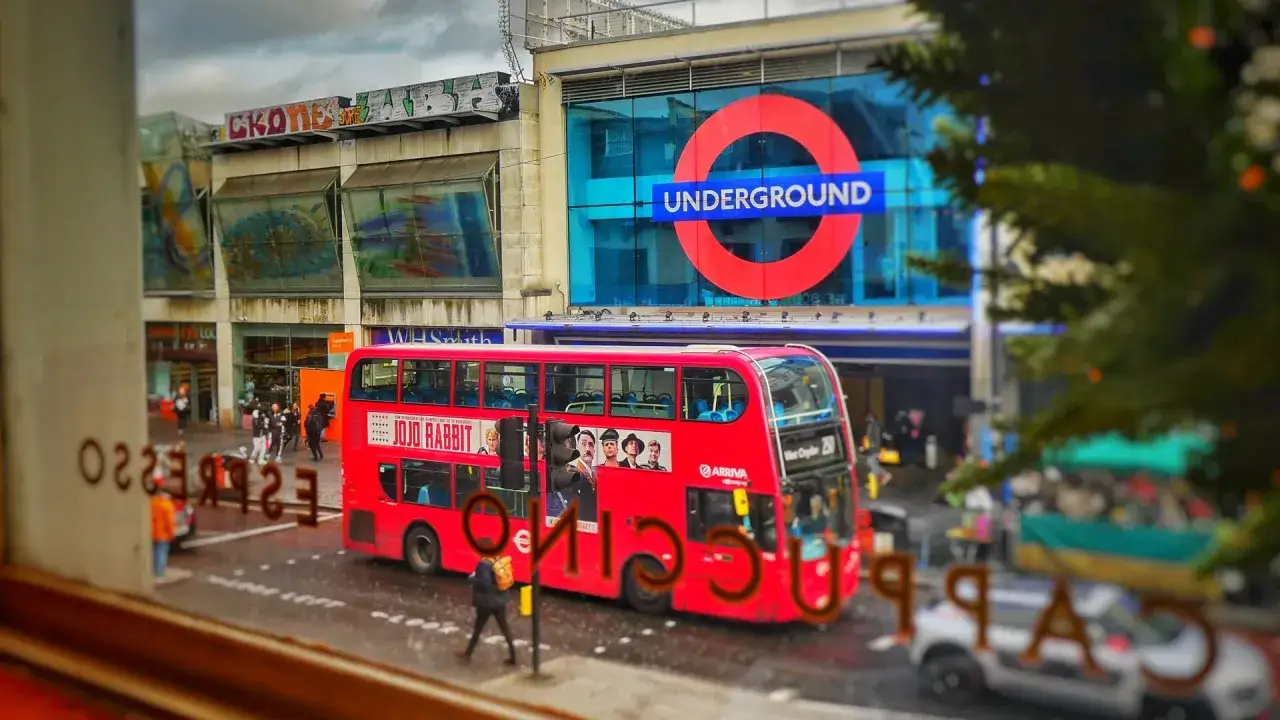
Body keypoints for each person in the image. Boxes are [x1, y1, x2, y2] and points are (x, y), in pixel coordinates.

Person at [456, 555, 517, 666]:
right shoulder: (497, 559)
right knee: (505, 629)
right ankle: (513, 656)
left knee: (477, 629)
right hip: (499, 601)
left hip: (487, 603)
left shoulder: (483, 564)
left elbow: (485, 584)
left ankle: (468, 654)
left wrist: (472, 578)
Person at [151, 480, 176, 579]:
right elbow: (169, 522)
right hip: (163, 533)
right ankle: (159, 573)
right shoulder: (167, 505)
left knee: (154, 552)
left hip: (152, 532)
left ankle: (153, 571)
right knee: (161, 553)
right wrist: (171, 533)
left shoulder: (152, 501)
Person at [865, 411, 892, 486]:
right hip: (875, 448)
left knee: (872, 463)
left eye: (867, 416)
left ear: (871, 417)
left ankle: (877, 480)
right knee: (872, 463)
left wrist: (876, 449)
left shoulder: (874, 425)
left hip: (874, 448)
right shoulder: (876, 424)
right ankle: (881, 477)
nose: (866, 418)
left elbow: (877, 437)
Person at [250, 399, 269, 465]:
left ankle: (260, 459)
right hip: (257, 435)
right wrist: (263, 425)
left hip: (263, 434)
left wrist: (265, 425)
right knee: (257, 448)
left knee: (263, 448)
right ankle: (252, 458)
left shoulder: (262, 417)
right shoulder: (255, 420)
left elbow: (265, 424)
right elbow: (257, 426)